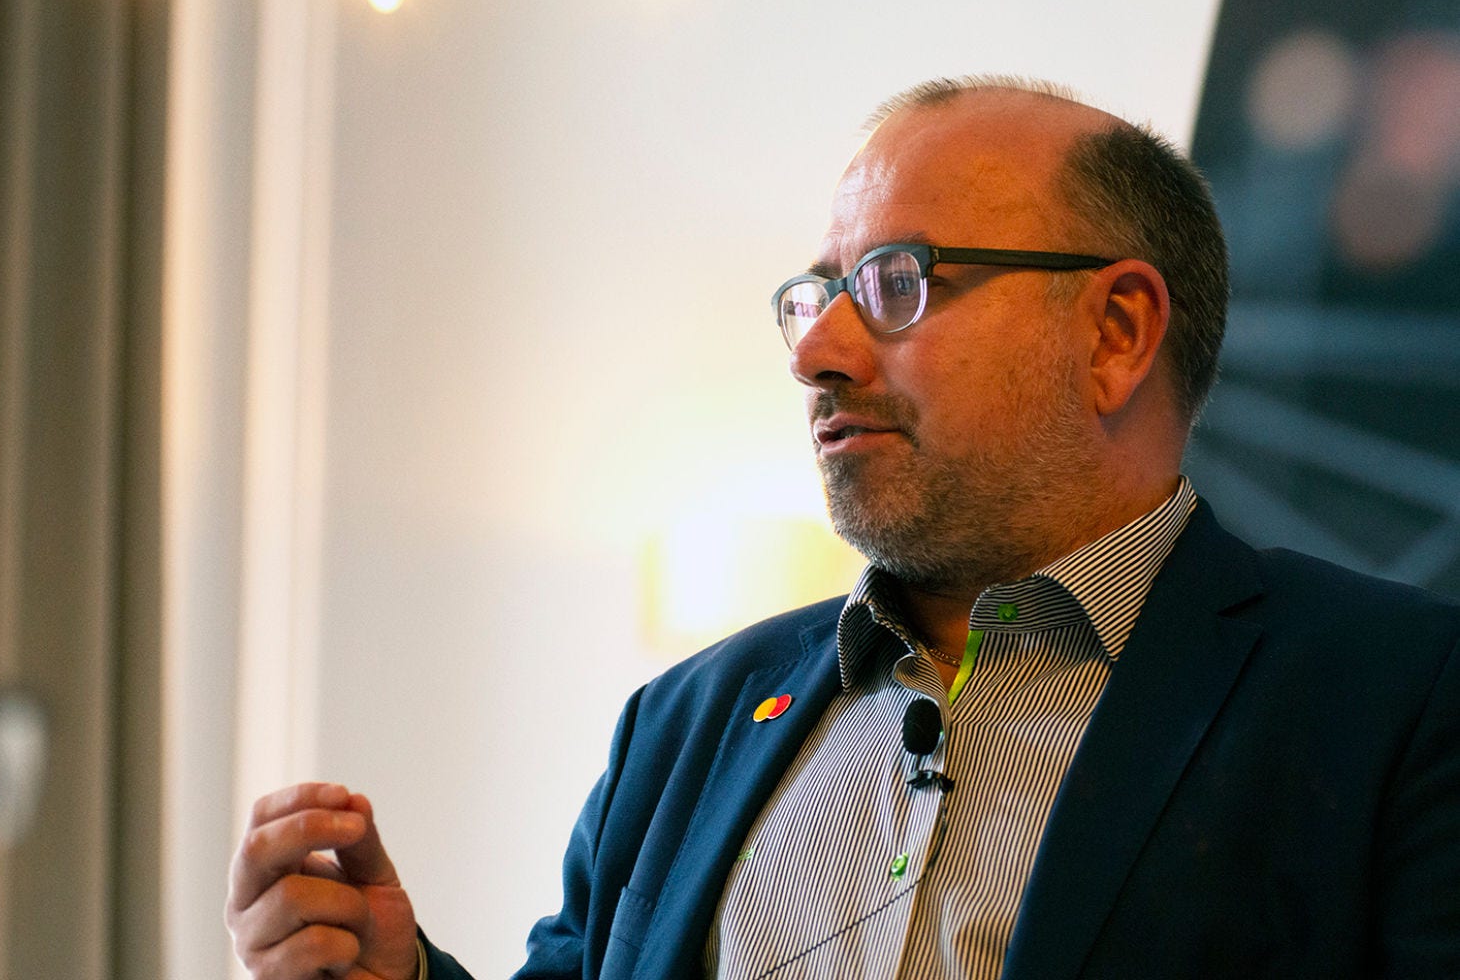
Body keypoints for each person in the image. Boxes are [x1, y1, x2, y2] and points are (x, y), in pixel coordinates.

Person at [226, 77, 1460, 979]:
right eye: (817, 295)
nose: (816, 351)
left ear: (1118, 332)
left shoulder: (1394, 701)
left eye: (895, 283)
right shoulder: (688, 721)